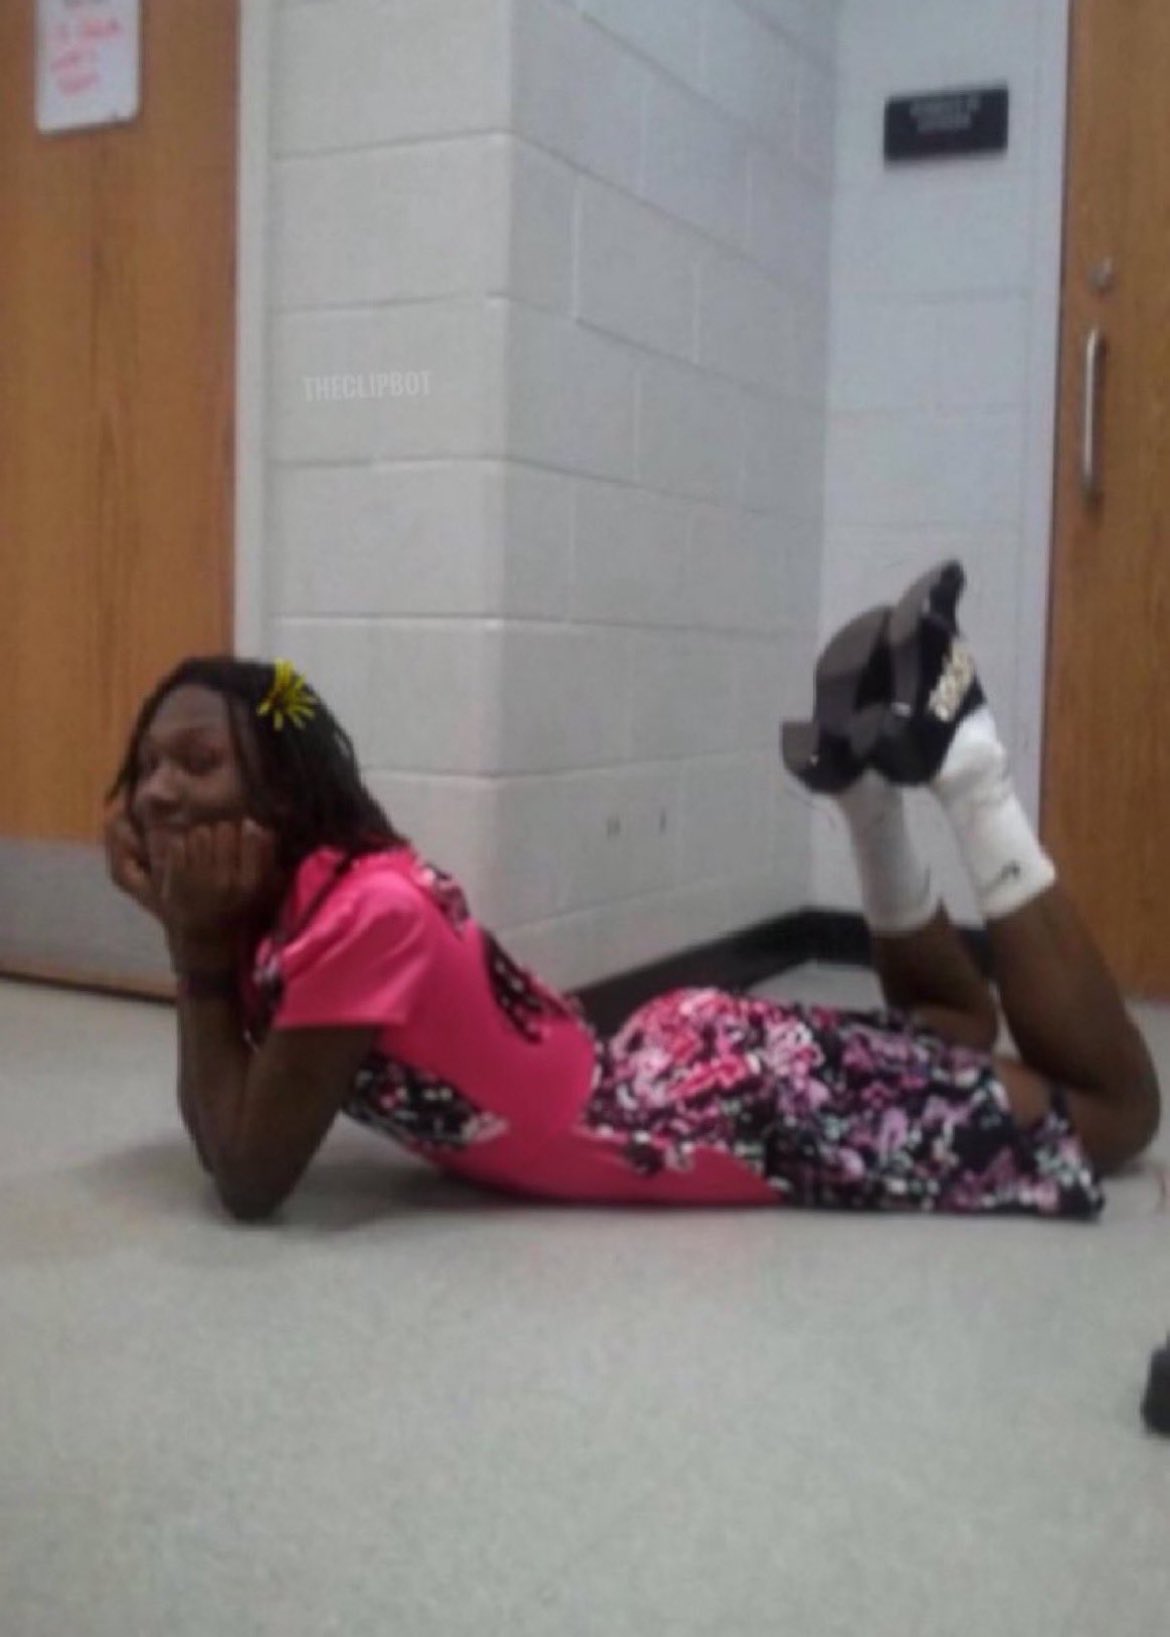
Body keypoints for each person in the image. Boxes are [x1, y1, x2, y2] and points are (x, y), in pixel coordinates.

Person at [103, 564, 1160, 1223]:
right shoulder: (315, 891)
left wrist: (193, 947)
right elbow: (238, 1092)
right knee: (951, 1028)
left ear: (285, 787)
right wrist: (201, 928)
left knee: (1119, 1113)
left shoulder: (356, 919)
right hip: (673, 1060)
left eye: (198, 760)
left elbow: (248, 1174)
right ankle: (867, 794)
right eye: (147, 764)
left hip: (716, 1108)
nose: (157, 790)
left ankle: (966, 758)